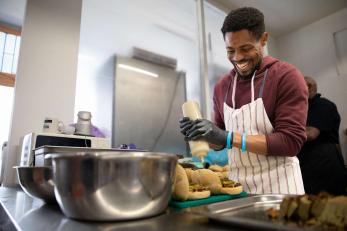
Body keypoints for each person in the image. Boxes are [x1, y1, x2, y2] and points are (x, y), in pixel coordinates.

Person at [179, 7, 308, 194]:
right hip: (237, 187)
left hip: (280, 185)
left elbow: (290, 142)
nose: (237, 58)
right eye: (230, 50)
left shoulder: (286, 76)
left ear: (263, 39)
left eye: (245, 48)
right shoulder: (222, 86)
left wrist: (229, 137)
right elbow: (219, 143)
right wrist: (203, 134)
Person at [297, 76, 347, 195]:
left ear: (308, 86)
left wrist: (284, 133)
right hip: (312, 166)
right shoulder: (305, 108)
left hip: (323, 166)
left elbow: (311, 133)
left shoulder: (321, 105)